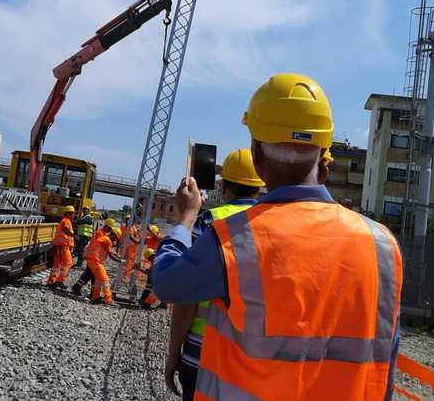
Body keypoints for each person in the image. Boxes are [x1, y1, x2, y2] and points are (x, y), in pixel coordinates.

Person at [153, 73, 403, 401]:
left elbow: (168, 282)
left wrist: (185, 219)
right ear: (323, 151)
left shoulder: (235, 238)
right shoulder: (382, 245)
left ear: (256, 154)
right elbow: (386, 357)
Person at [165, 148, 264, 401]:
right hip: (254, 363)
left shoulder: (210, 222)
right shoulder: (272, 223)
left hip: (202, 355)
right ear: (260, 187)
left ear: (222, 188)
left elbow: (186, 295)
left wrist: (173, 351)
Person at [71, 218, 116, 296]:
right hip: (94, 257)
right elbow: (100, 245)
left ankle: (78, 288)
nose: (110, 231)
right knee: (93, 276)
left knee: (88, 275)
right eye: (110, 229)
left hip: (93, 257)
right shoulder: (100, 233)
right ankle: (91, 293)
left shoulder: (102, 233)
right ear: (107, 226)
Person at [85, 225, 123, 306]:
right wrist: (120, 261)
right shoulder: (108, 240)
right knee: (105, 280)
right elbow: (111, 255)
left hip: (92, 260)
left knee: (98, 280)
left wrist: (118, 256)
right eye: (115, 239)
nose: (115, 241)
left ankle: (95, 297)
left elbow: (110, 252)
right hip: (96, 261)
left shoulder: (105, 238)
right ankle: (108, 300)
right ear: (113, 235)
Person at [46, 205, 76, 289]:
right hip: (63, 246)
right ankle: (59, 281)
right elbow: (66, 229)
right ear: (68, 214)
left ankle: (51, 281)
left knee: (57, 264)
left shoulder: (65, 220)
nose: (74, 215)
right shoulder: (67, 220)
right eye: (73, 213)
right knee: (68, 263)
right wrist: (74, 235)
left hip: (60, 245)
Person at [120, 215, 141, 282]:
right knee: (122, 262)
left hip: (130, 249)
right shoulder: (123, 227)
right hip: (123, 247)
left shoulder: (133, 228)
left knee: (129, 263)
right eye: (127, 219)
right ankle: (122, 274)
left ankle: (125, 275)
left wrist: (137, 241)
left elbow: (134, 238)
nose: (127, 220)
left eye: (129, 219)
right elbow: (120, 237)